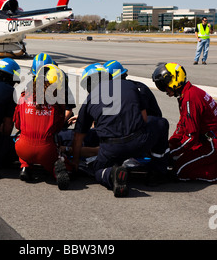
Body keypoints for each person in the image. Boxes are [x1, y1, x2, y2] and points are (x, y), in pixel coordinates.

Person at [72, 63, 170, 197]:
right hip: (138, 143)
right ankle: (157, 172)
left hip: (111, 149)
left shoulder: (90, 99)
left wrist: (75, 163)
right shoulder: (130, 86)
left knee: (98, 170)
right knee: (161, 123)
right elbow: (145, 119)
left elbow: (78, 137)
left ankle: (111, 175)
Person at [152, 62, 217, 184]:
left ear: (175, 80)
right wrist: (170, 144)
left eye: (163, 85)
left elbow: (190, 136)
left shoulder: (190, 98)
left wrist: (170, 153)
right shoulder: (187, 93)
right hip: (208, 137)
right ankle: (212, 162)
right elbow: (183, 124)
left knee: (178, 172)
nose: (163, 89)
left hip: (215, 141)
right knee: (176, 159)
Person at [13, 64, 70, 190]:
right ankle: (56, 171)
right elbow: (58, 128)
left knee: (19, 138)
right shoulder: (58, 103)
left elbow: (17, 124)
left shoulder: (23, 97)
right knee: (62, 161)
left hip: (22, 148)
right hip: (46, 150)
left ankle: (25, 166)